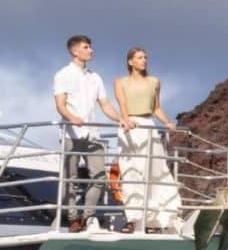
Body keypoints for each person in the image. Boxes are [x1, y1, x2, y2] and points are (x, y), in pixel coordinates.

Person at [51, 34, 121, 232]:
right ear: (75, 51)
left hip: (92, 134)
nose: (91, 50)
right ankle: (72, 218)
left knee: (99, 177)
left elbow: (105, 104)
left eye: (90, 47)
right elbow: (60, 104)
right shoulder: (62, 74)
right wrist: (71, 117)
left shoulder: (95, 77)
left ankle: (86, 216)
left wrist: (120, 119)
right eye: (86, 47)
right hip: (71, 134)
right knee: (70, 179)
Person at [114, 48, 180, 233]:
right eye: (139, 58)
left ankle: (154, 220)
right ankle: (133, 219)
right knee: (132, 172)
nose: (144, 61)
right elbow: (122, 104)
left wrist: (167, 122)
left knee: (153, 170)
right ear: (130, 61)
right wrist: (126, 121)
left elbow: (156, 107)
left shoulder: (154, 81)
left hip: (148, 125)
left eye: (145, 58)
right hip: (130, 126)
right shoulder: (120, 82)